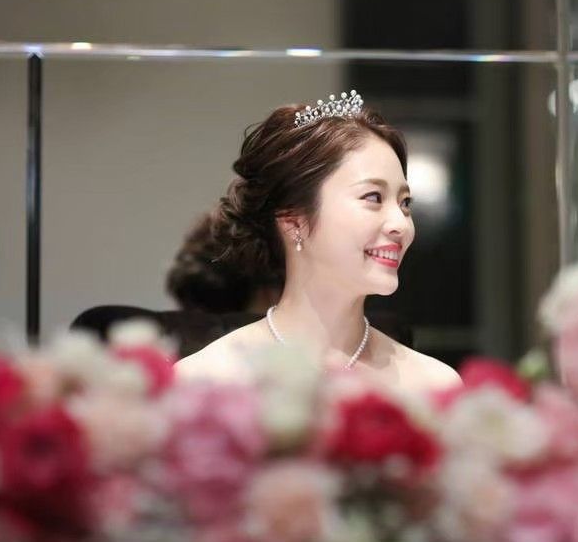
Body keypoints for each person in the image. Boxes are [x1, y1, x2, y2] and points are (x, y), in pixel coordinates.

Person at [176, 91, 461, 393]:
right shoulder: (206, 380)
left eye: (405, 203)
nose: (401, 225)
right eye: (373, 197)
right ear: (293, 221)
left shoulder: (434, 384)